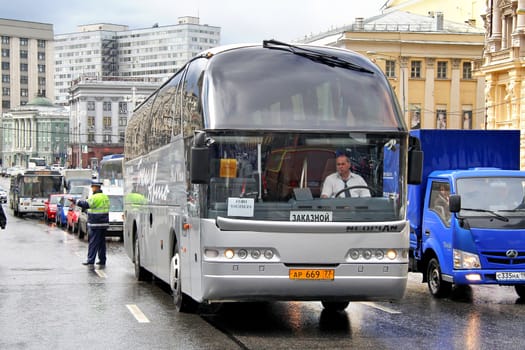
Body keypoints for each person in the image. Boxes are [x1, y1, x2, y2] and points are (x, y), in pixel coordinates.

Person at [70, 181, 110, 268]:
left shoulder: (95, 197)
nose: (92, 188)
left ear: (96, 188)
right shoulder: (105, 197)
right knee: (101, 243)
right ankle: (102, 260)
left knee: (93, 242)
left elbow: (86, 204)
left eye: (93, 187)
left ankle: (90, 260)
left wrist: (75, 201)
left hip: (95, 223)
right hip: (104, 223)